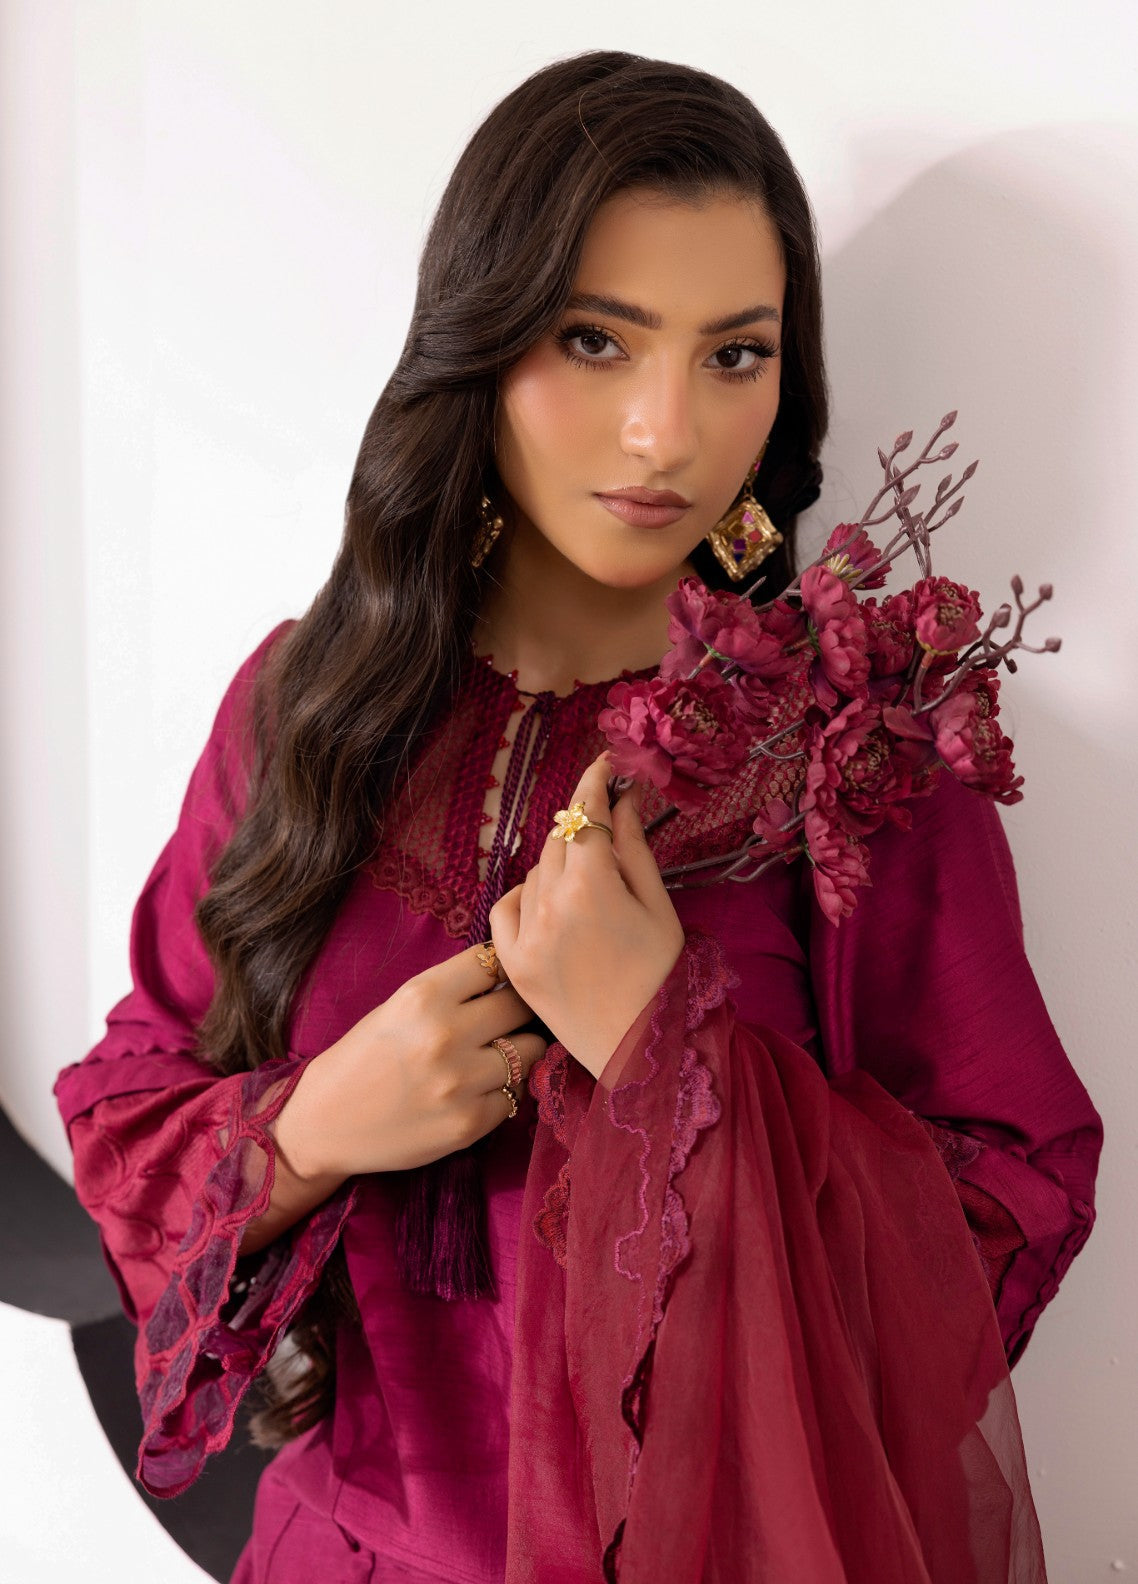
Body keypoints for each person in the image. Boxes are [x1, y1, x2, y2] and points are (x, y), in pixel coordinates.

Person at [55, 50, 1102, 1584]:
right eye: (595, 340)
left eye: (732, 355)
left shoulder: (848, 748)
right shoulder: (312, 706)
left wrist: (665, 1051)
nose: (664, 433)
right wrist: (315, 1126)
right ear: (478, 343)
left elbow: (1006, 1212)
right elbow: (129, 1113)